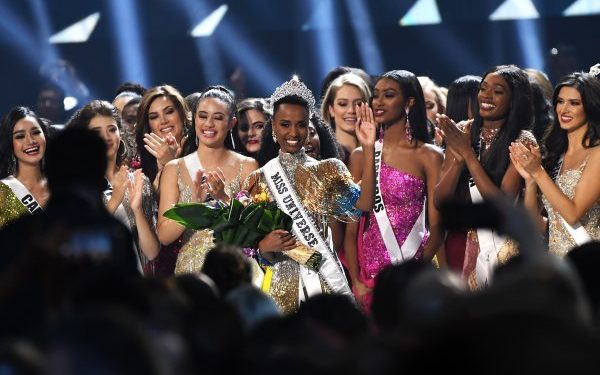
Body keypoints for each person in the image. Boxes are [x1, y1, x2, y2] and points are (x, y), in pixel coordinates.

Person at [245, 76, 376, 314]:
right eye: (285, 124)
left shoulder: (329, 168)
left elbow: (363, 205)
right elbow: (250, 248)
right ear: (273, 125)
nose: (294, 132)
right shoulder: (258, 179)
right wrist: (264, 247)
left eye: (301, 124)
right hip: (280, 287)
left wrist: (368, 148)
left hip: (324, 279)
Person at [344, 70, 444, 309]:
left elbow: (439, 225)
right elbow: (352, 225)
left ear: (409, 102)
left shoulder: (429, 156)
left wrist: (415, 273)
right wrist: (357, 281)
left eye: (388, 95)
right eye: (375, 95)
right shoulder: (360, 156)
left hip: (413, 272)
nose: (378, 102)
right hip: (369, 277)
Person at [435, 65, 536, 290]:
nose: (486, 96)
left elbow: (501, 204)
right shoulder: (463, 131)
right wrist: (459, 158)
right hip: (466, 241)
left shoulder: (522, 140)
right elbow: (439, 200)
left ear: (514, 100)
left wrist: (469, 154)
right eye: (483, 88)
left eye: (498, 91)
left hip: (505, 242)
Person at [157, 86, 258, 276]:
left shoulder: (248, 166)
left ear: (231, 123)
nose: (208, 124)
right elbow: (164, 236)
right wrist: (193, 204)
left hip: (235, 269)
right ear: (194, 119)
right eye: (202, 116)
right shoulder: (174, 169)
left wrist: (224, 198)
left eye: (218, 118)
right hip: (191, 273)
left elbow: (255, 228)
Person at [509, 72, 600, 256]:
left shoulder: (597, 153)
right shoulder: (556, 153)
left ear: (590, 107)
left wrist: (538, 172)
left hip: (588, 259)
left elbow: (573, 213)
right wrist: (530, 179)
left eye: (574, 103)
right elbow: (534, 223)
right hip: (557, 262)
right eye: (560, 101)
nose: (564, 109)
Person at [67, 100, 159, 273]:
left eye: (112, 129)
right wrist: (115, 199)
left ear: (120, 134)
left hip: (141, 282)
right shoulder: (77, 186)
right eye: (96, 132)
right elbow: (79, 245)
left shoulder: (139, 180)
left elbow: (153, 253)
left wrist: (137, 210)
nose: (106, 137)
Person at [441, 75, 481, 270]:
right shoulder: (441, 153)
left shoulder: (499, 144)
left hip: (495, 241)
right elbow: (439, 202)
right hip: (459, 244)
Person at [136, 85, 192, 190]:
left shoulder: (200, 147)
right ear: (149, 125)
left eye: (169, 111)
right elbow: (156, 203)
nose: (163, 121)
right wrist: (162, 169)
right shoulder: (147, 158)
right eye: (154, 117)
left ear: (182, 114)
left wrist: (170, 164)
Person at [0, 107, 49, 228]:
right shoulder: (2, 192)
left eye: (36, 132)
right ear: (10, 144)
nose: (31, 141)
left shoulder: (63, 185)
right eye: (20, 136)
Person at [321, 73, 372, 164]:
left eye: (358, 104)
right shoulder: (323, 153)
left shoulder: (380, 151)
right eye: (343, 104)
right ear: (331, 109)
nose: (351, 110)